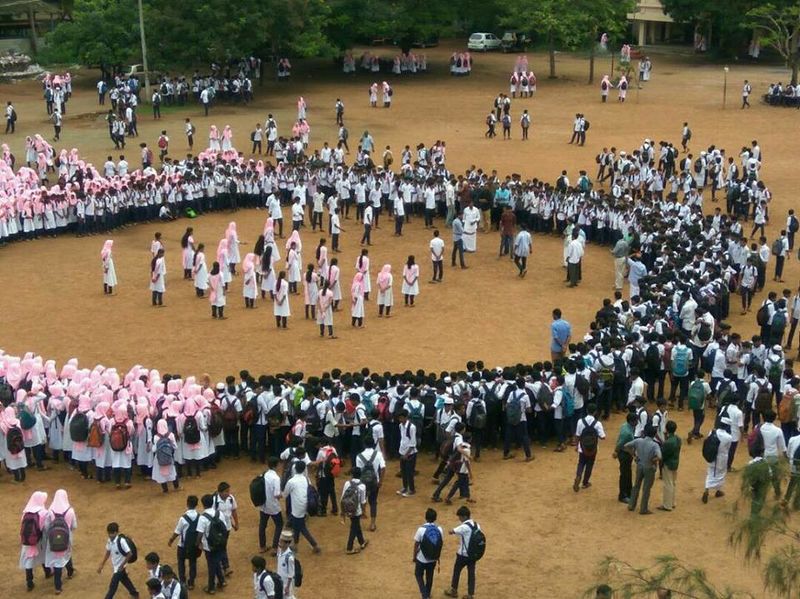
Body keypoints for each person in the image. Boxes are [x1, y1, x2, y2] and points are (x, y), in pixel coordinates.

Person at [282, 461, 321, 552]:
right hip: (304, 505)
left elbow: (285, 494)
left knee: (301, 528)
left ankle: (314, 545)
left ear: (295, 469)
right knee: (297, 526)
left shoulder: (291, 481)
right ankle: (295, 545)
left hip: (296, 508)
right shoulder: (305, 479)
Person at [624, 424, 661, 515]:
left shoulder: (639, 441)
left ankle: (631, 505)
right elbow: (659, 456)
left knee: (636, 485)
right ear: (654, 434)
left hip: (640, 465)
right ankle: (643, 508)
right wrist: (653, 460)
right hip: (649, 467)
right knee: (646, 488)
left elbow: (626, 446)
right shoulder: (654, 445)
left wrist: (634, 455)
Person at [444, 506, 480, 599]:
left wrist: (452, 531)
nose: (459, 519)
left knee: (457, 571)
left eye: (460, 517)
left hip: (463, 554)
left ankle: (454, 590)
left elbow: (451, 531)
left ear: (464, 516)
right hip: (473, 554)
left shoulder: (463, 526)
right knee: (471, 574)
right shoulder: (477, 525)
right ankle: (470, 594)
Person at [44, 489, 76, 594]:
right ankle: (70, 572)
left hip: (52, 539)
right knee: (66, 555)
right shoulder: (70, 510)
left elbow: (46, 526)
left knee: (57, 559)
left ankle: (58, 587)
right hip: (67, 539)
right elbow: (74, 526)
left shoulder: (51, 510)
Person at [97, 522, 139, 599]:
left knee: (112, 588)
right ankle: (134, 593)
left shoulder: (121, 541)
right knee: (124, 579)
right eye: (109, 533)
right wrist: (102, 564)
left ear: (116, 532)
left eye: (112, 533)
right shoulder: (109, 540)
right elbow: (108, 552)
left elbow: (129, 554)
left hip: (119, 568)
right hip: (117, 566)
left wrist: (122, 565)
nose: (110, 535)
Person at [167, 495, 199, 590]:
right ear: (196, 504)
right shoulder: (200, 517)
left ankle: (183, 581)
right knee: (193, 563)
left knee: (181, 563)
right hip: (194, 545)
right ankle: (191, 582)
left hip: (183, 545)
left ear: (187, 504)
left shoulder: (183, 518)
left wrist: (171, 540)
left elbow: (177, 531)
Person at [196, 493, 226, 594]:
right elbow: (225, 528)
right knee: (216, 561)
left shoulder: (202, 517)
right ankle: (221, 581)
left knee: (211, 565)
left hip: (209, 546)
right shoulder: (219, 513)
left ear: (203, 504)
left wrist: (198, 544)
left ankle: (211, 587)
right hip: (221, 543)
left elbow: (200, 533)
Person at [19, 490, 48, 592]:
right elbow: (46, 527)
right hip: (40, 540)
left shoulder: (26, 512)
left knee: (29, 561)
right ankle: (48, 572)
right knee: (44, 555)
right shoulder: (43, 512)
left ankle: (29, 582)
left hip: (27, 541)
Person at [573, 403, 606, 492]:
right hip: (593, 448)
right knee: (590, 465)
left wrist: (577, 445)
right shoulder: (597, 423)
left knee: (581, 463)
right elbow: (603, 437)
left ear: (586, 410)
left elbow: (577, 435)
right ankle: (585, 482)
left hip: (582, 446)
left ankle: (578, 476)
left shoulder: (580, 421)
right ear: (595, 412)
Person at [256, 457, 284, 554]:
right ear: (276, 465)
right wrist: (282, 494)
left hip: (263, 504)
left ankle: (262, 546)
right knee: (279, 525)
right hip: (273, 505)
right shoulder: (276, 478)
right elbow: (277, 494)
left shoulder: (264, 474)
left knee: (262, 525)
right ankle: (274, 548)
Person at [413, 508, 443, 599]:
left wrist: (414, 557)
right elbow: (440, 543)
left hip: (422, 558)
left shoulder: (421, 529)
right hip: (433, 558)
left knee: (418, 575)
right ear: (435, 518)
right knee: (429, 576)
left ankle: (424, 595)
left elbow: (416, 544)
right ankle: (428, 593)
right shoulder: (439, 529)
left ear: (425, 517)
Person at [340, 466, 369, 554]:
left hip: (347, 507)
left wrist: (342, 511)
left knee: (356, 525)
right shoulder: (362, 486)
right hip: (356, 510)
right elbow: (363, 501)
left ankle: (362, 542)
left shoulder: (347, 483)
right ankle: (349, 548)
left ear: (352, 475)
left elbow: (342, 497)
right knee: (354, 527)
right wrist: (364, 512)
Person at [613, 412, 637, 503]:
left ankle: (628, 492)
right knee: (625, 474)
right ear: (631, 421)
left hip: (626, 453)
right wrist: (616, 451)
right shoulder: (627, 432)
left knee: (628, 473)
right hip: (624, 453)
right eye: (636, 421)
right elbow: (620, 443)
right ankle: (622, 495)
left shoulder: (625, 426)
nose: (637, 422)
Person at [659, 420, 681, 511]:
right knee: (672, 483)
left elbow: (663, 454)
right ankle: (672, 502)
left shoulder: (668, 442)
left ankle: (667, 505)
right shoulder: (678, 439)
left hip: (668, 463)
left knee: (668, 484)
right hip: (675, 462)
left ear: (666, 429)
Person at [397, 410, 417, 497]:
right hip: (402, 451)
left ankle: (412, 489)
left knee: (409, 472)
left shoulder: (412, 427)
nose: (400, 420)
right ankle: (405, 487)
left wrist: (406, 454)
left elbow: (413, 443)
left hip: (410, 453)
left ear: (406, 417)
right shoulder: (400, 426)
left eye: (401, 418)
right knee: (403, 471)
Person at [276, 530, 296, 599]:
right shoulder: (279, 550)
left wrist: (287, 587)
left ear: (287, 544)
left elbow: (291, 574)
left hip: (287, 583)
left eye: (281, 541)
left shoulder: (289, 558)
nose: (279, 542)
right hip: (280, 581)